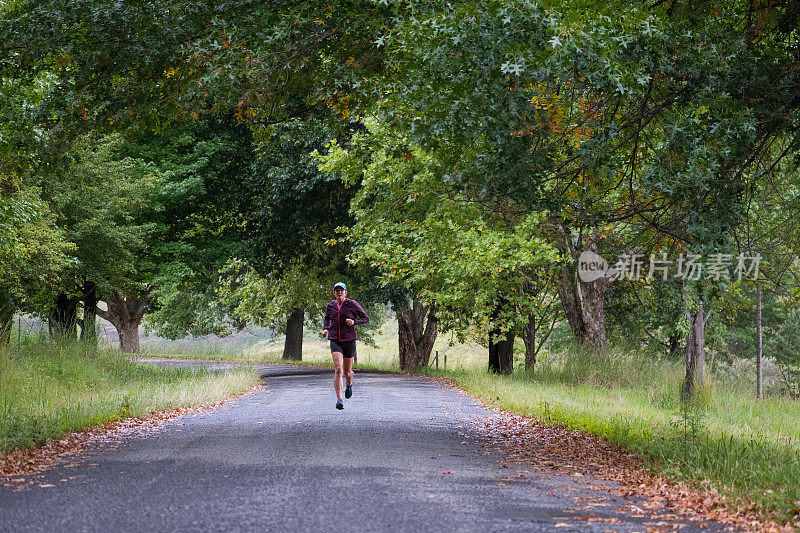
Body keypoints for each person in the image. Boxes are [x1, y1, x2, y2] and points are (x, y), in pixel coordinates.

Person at [322, 282, 369, 410]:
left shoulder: (352, 304)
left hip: (349, 339)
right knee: (338, 369)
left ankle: (349, 382)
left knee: (347, 372)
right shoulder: (330, 306)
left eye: (341, 290)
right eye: (337, 290)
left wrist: (354, 321)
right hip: (335, 339)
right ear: (334, 293)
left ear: (345, 292)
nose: (339, 292)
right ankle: (339, 399)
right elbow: (327, 319)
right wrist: (325, 329)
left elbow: (366, 318)